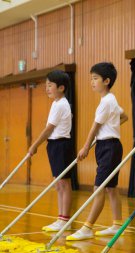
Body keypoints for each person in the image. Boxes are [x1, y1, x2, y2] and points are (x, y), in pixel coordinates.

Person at [66, 62, 128, 240]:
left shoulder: (106, 102)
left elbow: (95, 127)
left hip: (108, 147)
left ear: (106, 81)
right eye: (91, 78)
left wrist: (85, 146)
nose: (92, 82)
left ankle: (87, 227)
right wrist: (111, 126)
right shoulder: (111, 100)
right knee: (111, 188)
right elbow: (124, 116)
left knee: (98, 188)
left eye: (95, 78)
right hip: (108, 145)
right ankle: (117, 225)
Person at [29, 70, 73, 232]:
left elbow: (49, 129)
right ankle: (61, 218)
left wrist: (34, 145)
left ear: (61, 88)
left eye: (50, 85)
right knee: (59, 184)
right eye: (46, 85)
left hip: (61, 145)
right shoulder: (56, 103)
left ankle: (65, 219)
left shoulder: (61, 104)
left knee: (63, 183)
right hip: (54, 145)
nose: (47, 88)